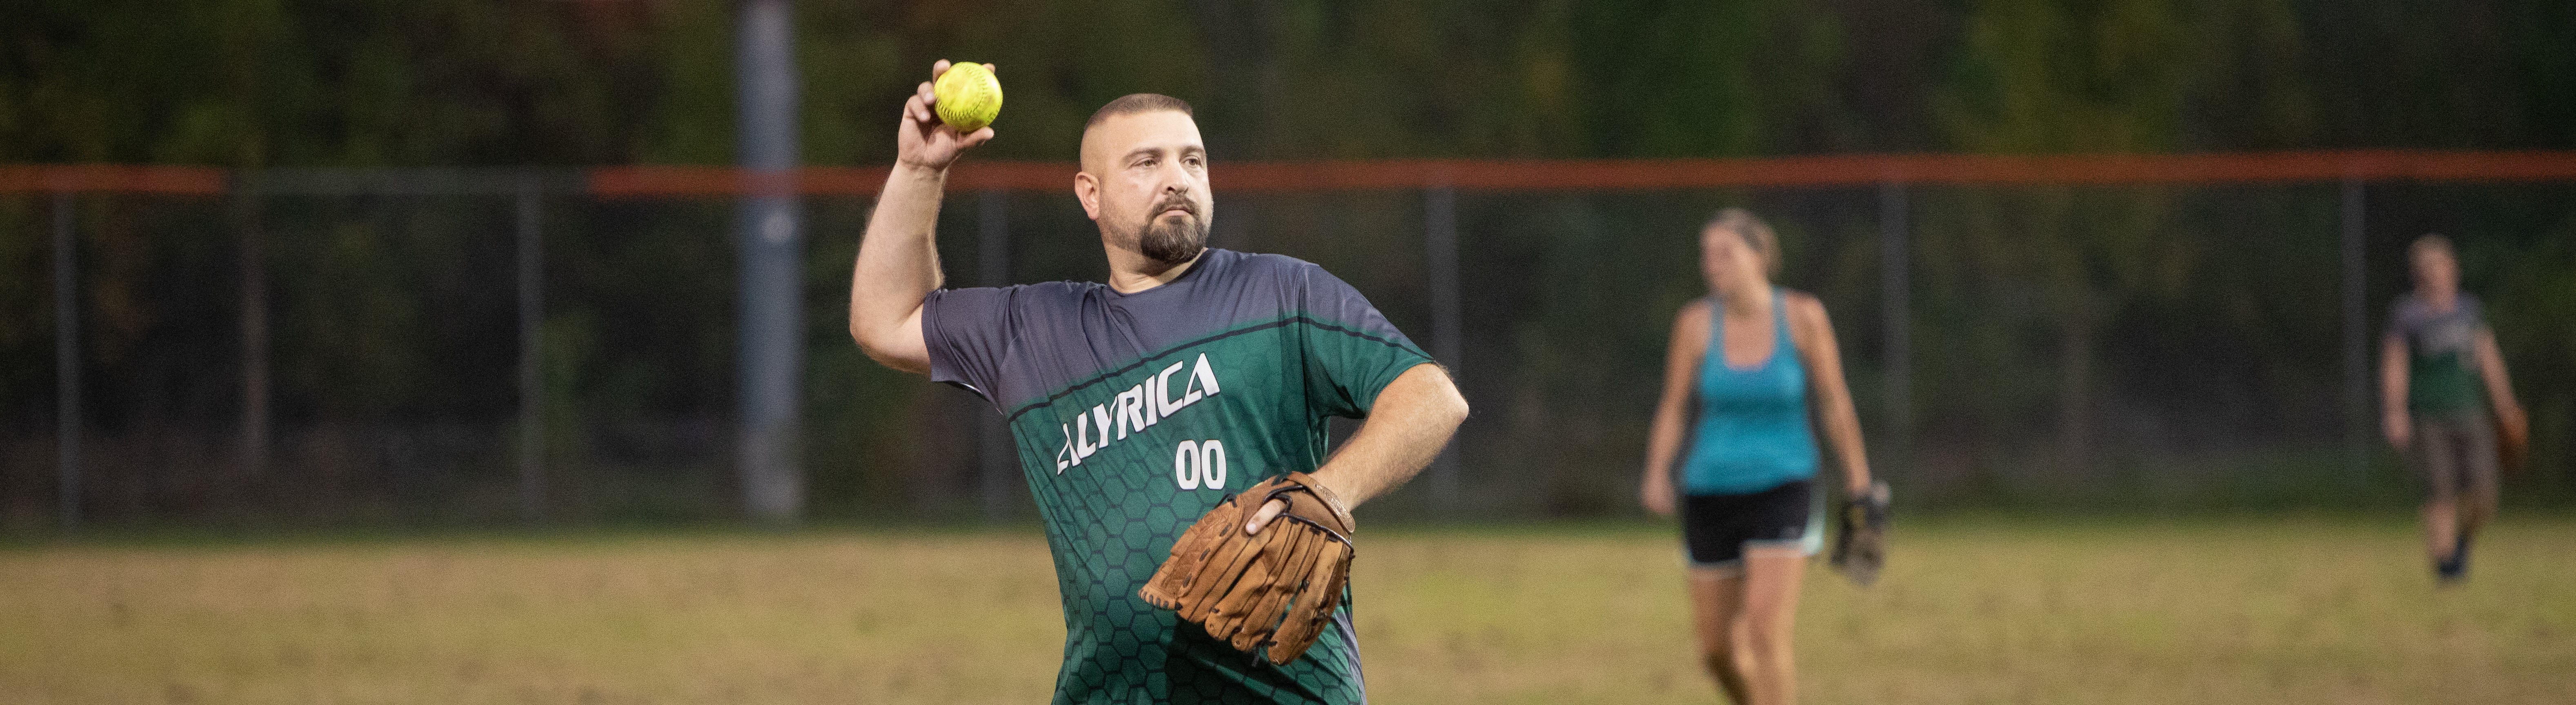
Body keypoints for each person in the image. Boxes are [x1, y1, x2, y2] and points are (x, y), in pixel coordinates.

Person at [847, 61, 1469, 704]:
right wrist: (919, 172)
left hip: (1288, 691)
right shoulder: (1033, 329)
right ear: (1090, 194)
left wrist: (1328, 492)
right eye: (1146, 163)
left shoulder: (1281, 293)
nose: (1176, 179)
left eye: (1192, 161)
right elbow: (884, 321)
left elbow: (1430, 395)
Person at [1640, 209, 1873, 705]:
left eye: (1726, 253)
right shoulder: (1696, 324)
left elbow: (1834, 403)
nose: (1713, 264)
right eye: (1706, 255)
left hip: (1784, 485)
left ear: (1760, 257)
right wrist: (1657, 471)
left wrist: (1860, 481)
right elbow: (1674, 406)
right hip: (1709, 489)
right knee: (1717, 651)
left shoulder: (1803, 317)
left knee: (1766, 634)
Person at [2381, 234, 2523, 584]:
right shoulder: (2407, 315)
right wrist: (2395, 411)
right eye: (2428, 268)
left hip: (2469, 411)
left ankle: (2462, 544)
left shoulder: (2468, 310)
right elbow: (2395, 364)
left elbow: (2489, 358)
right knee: (2440, 491)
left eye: (2441, 266)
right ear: (2418, 274)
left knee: (2485, 494)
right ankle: (2445, 567)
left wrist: (2506, 404)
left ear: (2453, 270)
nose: (2436, 274)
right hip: (2427, 414)